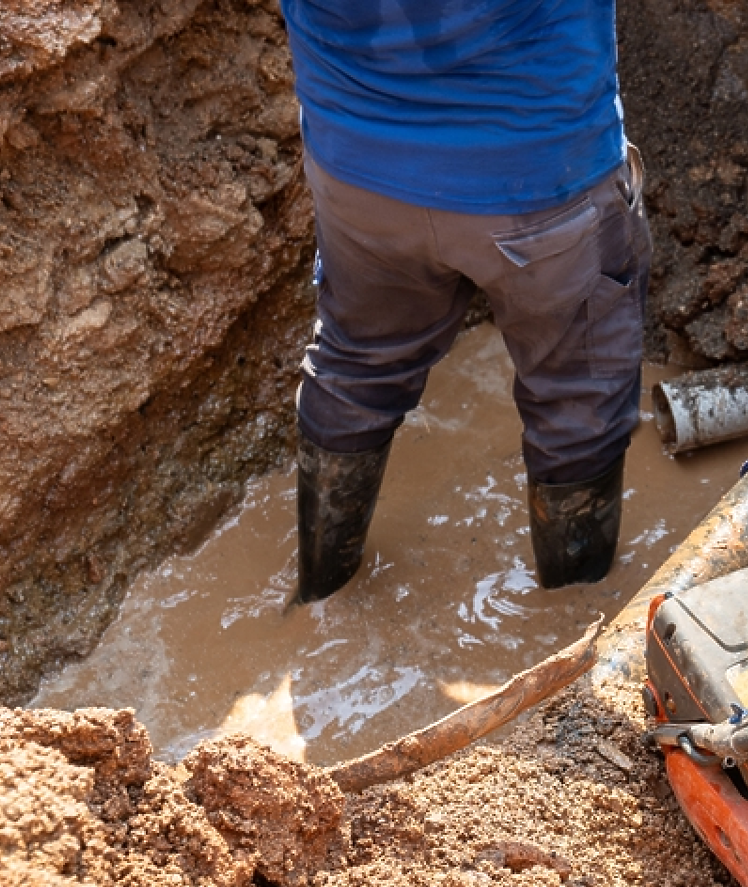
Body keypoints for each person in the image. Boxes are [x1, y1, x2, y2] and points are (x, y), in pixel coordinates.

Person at [279, 0, 651, 602]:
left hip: (358, 176)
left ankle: (318, 601)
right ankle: (573, 641)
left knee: (354, 369)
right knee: (578, 402)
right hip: (542, 177)